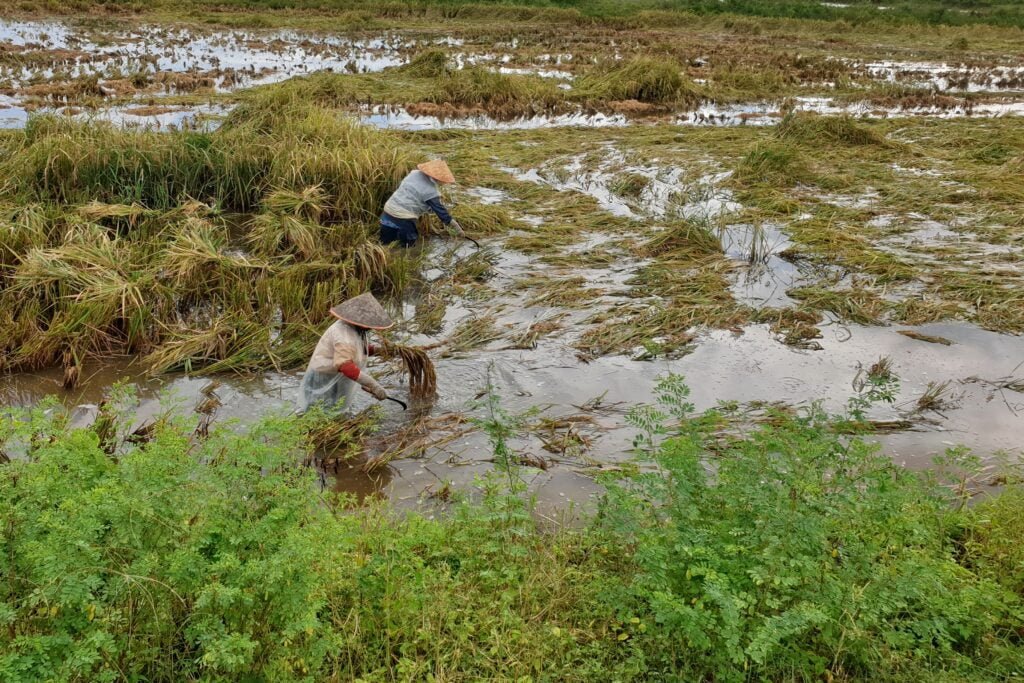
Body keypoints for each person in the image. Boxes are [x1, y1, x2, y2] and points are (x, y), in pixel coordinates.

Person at [297, 292, 393, 414]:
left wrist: (381, 350)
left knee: (337, 410)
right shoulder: (343, 334)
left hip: (337, 376)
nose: (371, 327)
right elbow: (345, 366)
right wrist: (374, 385)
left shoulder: (356, 329)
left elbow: (357, 349)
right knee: (318, 414)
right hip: (323, 377)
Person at [379, 159, 466, 247]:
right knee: (408, 245)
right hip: (403, 218)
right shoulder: (431, 192)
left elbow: (407, 191)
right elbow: (442, 214)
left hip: (388, 211)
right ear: (439, 179)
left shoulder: (414, 174)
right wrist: (457, 228)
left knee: (385, 243)